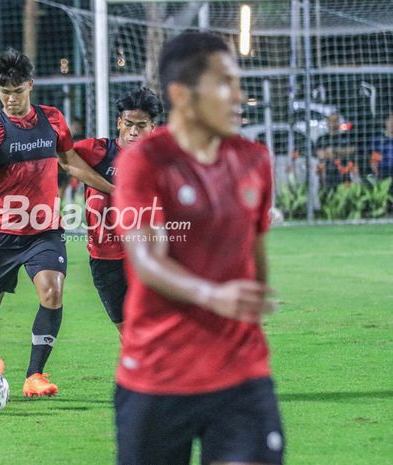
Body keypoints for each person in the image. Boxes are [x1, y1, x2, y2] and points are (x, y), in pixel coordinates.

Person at [113, 32, 284, 465]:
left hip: (240, 374)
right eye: (225, 83)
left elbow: (255, 267)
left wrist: (243, 303)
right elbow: (147, 260)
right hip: (157, 375)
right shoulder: (144, 161)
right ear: (182, 95)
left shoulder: (254, 160)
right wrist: (213, 295)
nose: (238, 97)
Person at [0, 48, 112, 398]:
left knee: (53, 293)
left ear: (30, 85)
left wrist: (116, 191)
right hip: (2, 233)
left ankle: (34, 375)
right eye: (4, 92)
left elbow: (71, 164)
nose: (11, 99)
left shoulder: (53, 119)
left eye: (17, 91)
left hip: (45, 231)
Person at [73, 88, 160, 333]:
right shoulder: (97, 152)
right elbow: (63, 158)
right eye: (129, 124)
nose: (134, 132)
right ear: (119, 122)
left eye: (141, 126)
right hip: (105, 259)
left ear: (152, 127)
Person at [315, 113, 360, 188]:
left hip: (345, 175)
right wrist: (342, 152)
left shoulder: (346, 137)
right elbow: (321, 155)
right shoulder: (322, 139)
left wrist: (333, 151)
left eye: (336, 120)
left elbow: (352, 150)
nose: (334, 123)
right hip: (327, 176)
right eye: (331, 120)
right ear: (327, 122)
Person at [368, 111, 393, 181]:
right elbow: (374, 158)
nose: (392, 123)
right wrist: (376, 172)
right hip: (383, 171)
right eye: (390, 119)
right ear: (385, 122)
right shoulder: (378, 139)